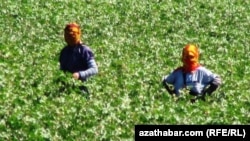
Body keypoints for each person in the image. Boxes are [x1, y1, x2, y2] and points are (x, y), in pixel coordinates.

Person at [59, 22, 98, 96]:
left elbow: (94, 69)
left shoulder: (84, 50)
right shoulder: (64, 51)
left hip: (83, 90)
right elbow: (62, 70)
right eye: (68, 35)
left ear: (78, 34)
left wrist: (79, 75)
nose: (70, 37)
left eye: (72, 35)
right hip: (67, 90)